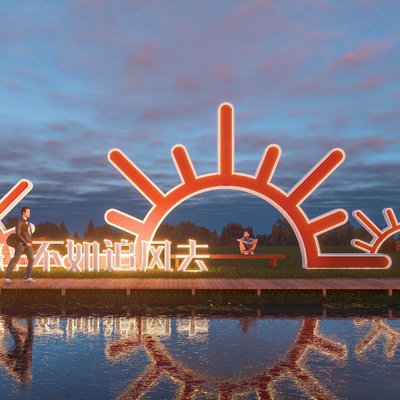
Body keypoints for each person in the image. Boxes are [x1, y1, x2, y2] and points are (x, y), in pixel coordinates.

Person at [3, 206, 35, 283]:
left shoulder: (27, 221)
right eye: (28, 212)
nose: (29, 213)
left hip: (28, 244)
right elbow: (18, 235)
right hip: (21, 244)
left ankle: (28, 277)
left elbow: (28, 233)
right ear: (23, 212)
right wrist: (25, 242)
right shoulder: (19, 222)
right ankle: (6, 276)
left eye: (29, 212)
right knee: (15, 259)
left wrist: (30, 241)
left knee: (31, 259)